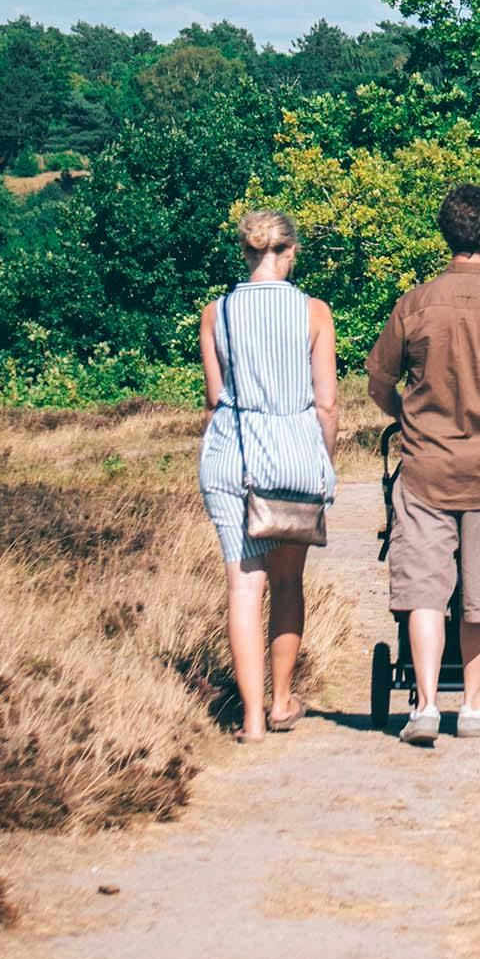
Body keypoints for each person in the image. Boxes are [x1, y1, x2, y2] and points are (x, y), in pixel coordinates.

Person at [366, 181, 480, 743]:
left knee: (424, 589)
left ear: (446, 234)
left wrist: (407, 419)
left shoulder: (415, 303)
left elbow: (379, 382)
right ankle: (473, 707)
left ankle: (424, 706)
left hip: (425, 469)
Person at [198, 210, 339, 741]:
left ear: (246, 253)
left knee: (242, 587)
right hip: (294, 456)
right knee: (286, 580)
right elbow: (325, 404)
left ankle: (251, 719)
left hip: (232, 455)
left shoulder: (218, 314)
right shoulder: (314, 313)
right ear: (290, 252)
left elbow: (215, 400)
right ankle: (282, 702)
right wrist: (323, 464)